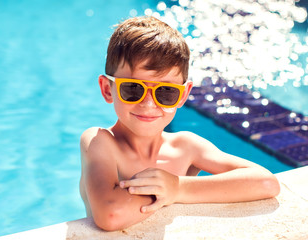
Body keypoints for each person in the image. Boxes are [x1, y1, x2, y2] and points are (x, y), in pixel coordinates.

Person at [79, 16, 280, 231]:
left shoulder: (186, 147)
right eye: (132, 89)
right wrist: (169, 193)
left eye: (166, 92)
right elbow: (110, 214)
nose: (148, 104)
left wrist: (178, 188)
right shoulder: (99, 141)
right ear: (108, 89)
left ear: (183, 96)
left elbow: (265, 182)